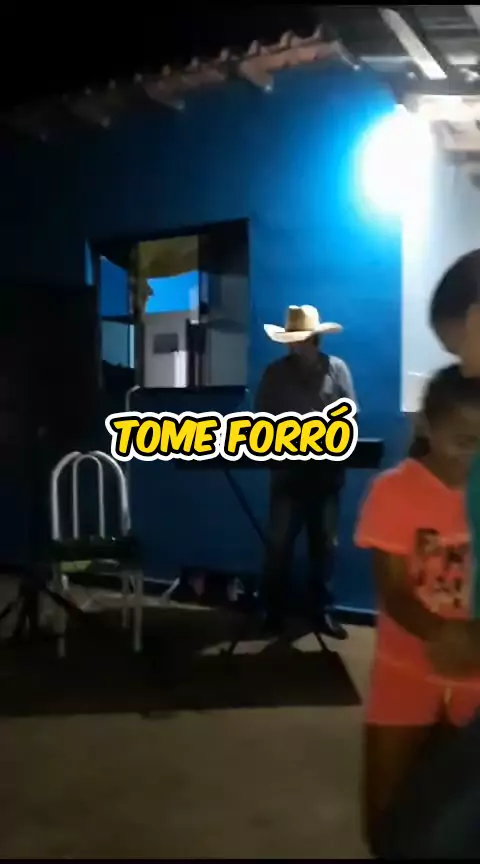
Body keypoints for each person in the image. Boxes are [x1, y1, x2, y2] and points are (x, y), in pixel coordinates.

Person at [354, 363, 480, 857]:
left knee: (457, 815)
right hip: (405, 670)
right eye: (463, 441)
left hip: (475, 674)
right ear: (426, 426)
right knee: (385, 818)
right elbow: (395, 591)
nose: (475, 456)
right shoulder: (394, 491)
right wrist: (444, 634)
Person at [255, 304, 356, 639]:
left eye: (299, 339)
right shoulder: (274, 373)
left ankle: (321, 612)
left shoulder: (337, 369)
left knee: (324, 545)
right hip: (287, 472)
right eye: (291, 340)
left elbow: (350, 417)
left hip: (326, 474)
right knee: (278, 545)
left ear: (313, 339)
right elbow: (260, 418)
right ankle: (272, 612)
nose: (293, 345)